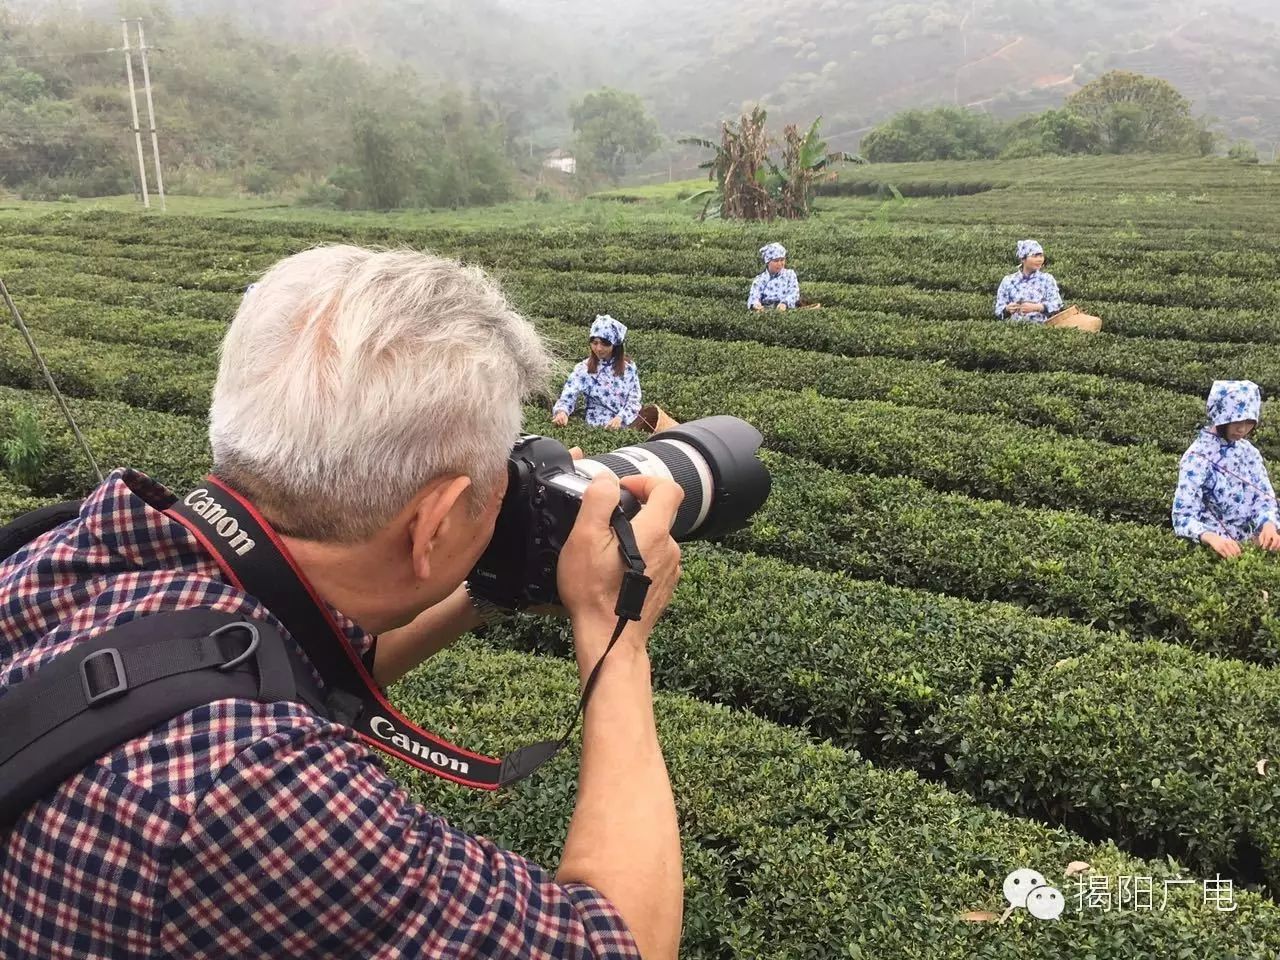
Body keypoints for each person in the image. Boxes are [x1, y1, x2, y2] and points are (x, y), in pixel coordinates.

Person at [0, 247, 684, 959]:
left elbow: (293, 657)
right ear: (434, 524)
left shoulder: (78, 547)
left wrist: (493, 581)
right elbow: (620, 944)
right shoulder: (257, 793)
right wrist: (618, 633)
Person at [1172, 379, 1280, 558]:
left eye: (1249, 421)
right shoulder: (1196, 458)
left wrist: (1268, 525)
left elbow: (1264, 497)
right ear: (1221, 416)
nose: (1242, 428)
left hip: (1254, 546)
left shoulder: (1249, 451)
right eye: (1235, 420)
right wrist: (1211, 538)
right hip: (1218, 551)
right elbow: (1182, 516)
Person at [551, 315, 642, 431]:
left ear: (614, 344)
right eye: (594, 342)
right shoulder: (583, 369)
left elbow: (634, 400)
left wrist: (620, 418)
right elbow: (569, 394)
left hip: (625, 427)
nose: (598, 348)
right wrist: (562, 413)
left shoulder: (628, 368)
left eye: (604, 343)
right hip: (596, 429)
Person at [994, 240, 1063, 324]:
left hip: (1042, 329)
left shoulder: (1047, 279)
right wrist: (1007, 309)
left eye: (1041, 256)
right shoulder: (1008, 280)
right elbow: (998, 309)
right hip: (1013, 329)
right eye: (1034, 256)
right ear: (1023, 259)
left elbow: (1057, 304)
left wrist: (1037, 307)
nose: (1039, 260)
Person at [747, 242, 800, 311]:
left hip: (785, 308)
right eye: (776, 261)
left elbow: (794, 292)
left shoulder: (790, 274)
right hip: (766, 309)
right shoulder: (760, 279)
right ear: (768, 262)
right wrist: (756, 304)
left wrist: (785, 303)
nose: (780, 264)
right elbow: (754, 295)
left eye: (782, 260)